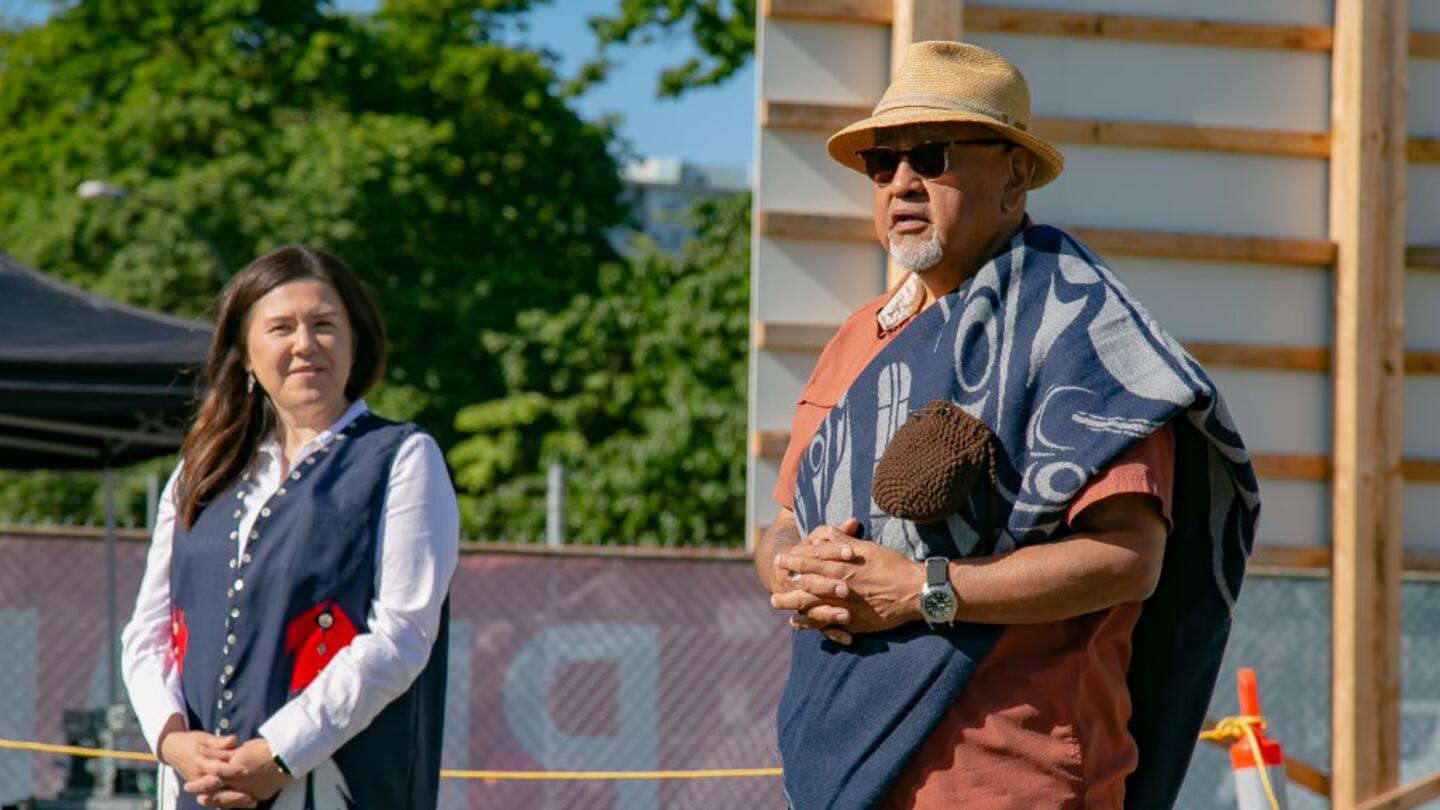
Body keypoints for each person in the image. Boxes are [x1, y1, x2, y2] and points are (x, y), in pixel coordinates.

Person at [755, 42, 1258, 810]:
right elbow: (782, 524)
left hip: (1015, 778)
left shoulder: (1080, 335)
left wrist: (922, 591)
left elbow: (1129, 558)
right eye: (882, 164)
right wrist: (794, 572)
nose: (901, 182)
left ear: (1015, 175)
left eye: (931, 156)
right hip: (846, 772)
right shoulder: (855, 338)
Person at [121, 245, 459, 809]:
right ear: (245, 355)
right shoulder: (201, 470)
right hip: (194, 789)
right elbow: (147, 633)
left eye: (324, 325)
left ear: (355, 342)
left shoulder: (402, 458)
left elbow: (401, 635)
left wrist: (277, 754)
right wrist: (172, 740)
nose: (305, 344)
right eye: (281, 328)